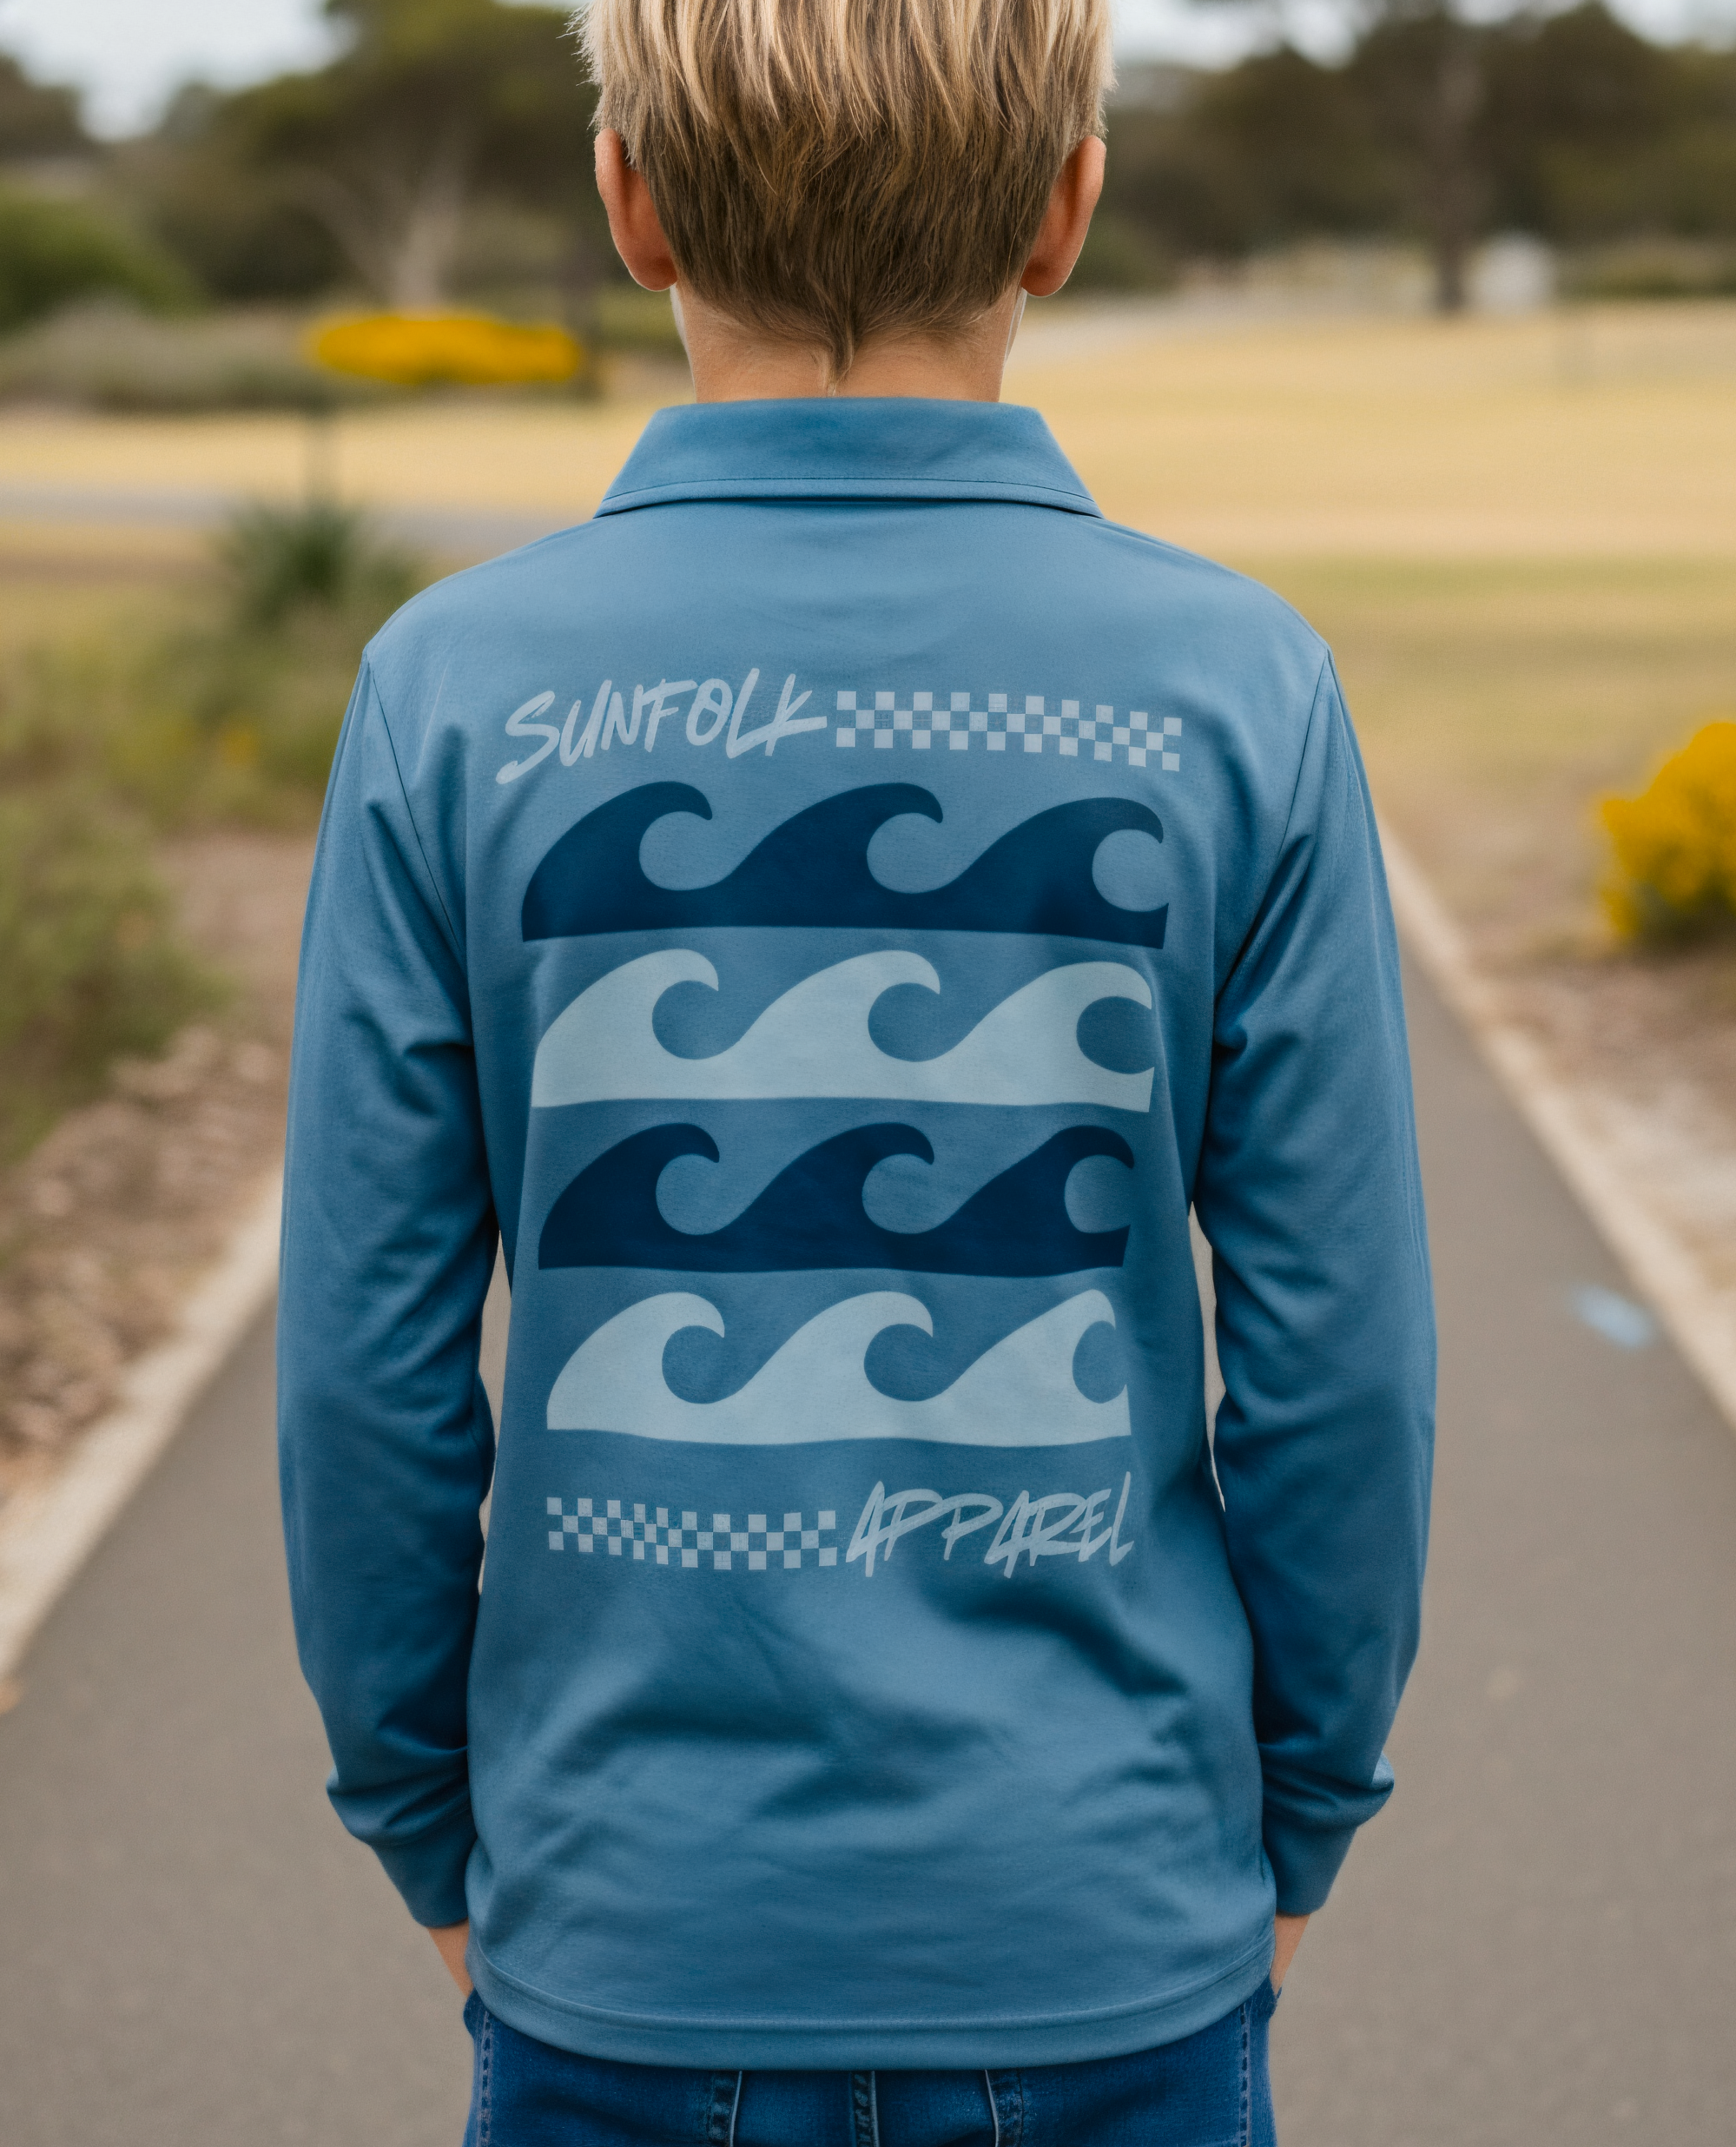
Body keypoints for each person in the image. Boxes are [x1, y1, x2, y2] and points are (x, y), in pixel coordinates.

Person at [277, 0, 1436, 2137]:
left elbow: (366, 1359)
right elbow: (1339, 1356)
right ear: (1067, 210)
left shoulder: (448, 692)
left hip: (624, 1924)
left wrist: (424, 1822)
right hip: (1111, 1914)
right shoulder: (1239, 686)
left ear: (630, 203)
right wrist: (1302, 1814)